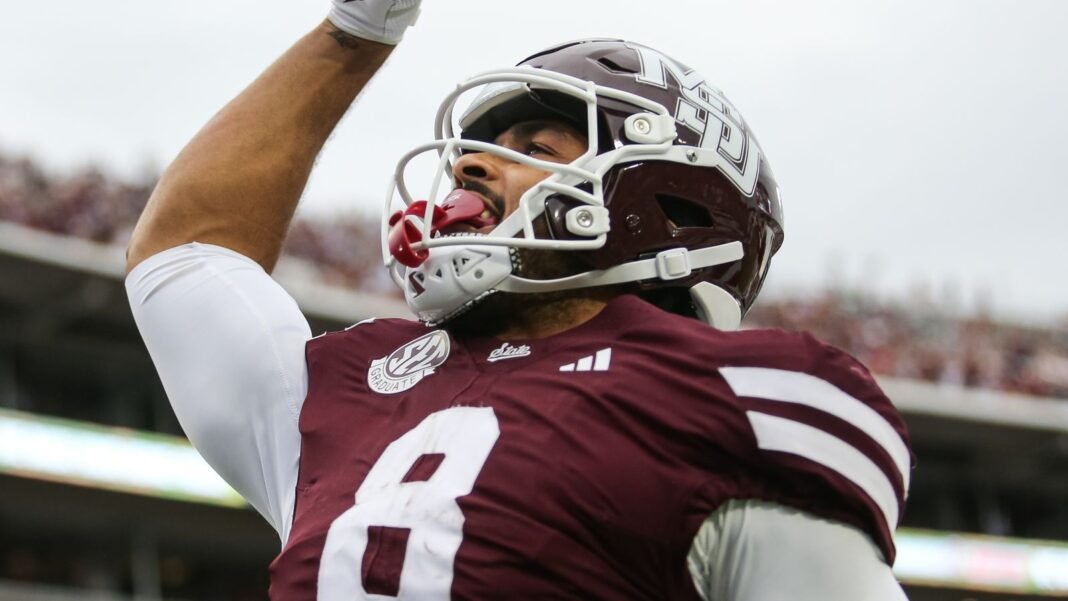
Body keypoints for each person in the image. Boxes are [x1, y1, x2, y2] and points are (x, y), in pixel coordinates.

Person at [125, 1, 913, 599]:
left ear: (665, 204)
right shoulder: (350, 384)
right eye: (475, 153)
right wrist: (357, 26)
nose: (467, 170)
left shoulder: (721, 397)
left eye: (533, 148)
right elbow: (185, 253)